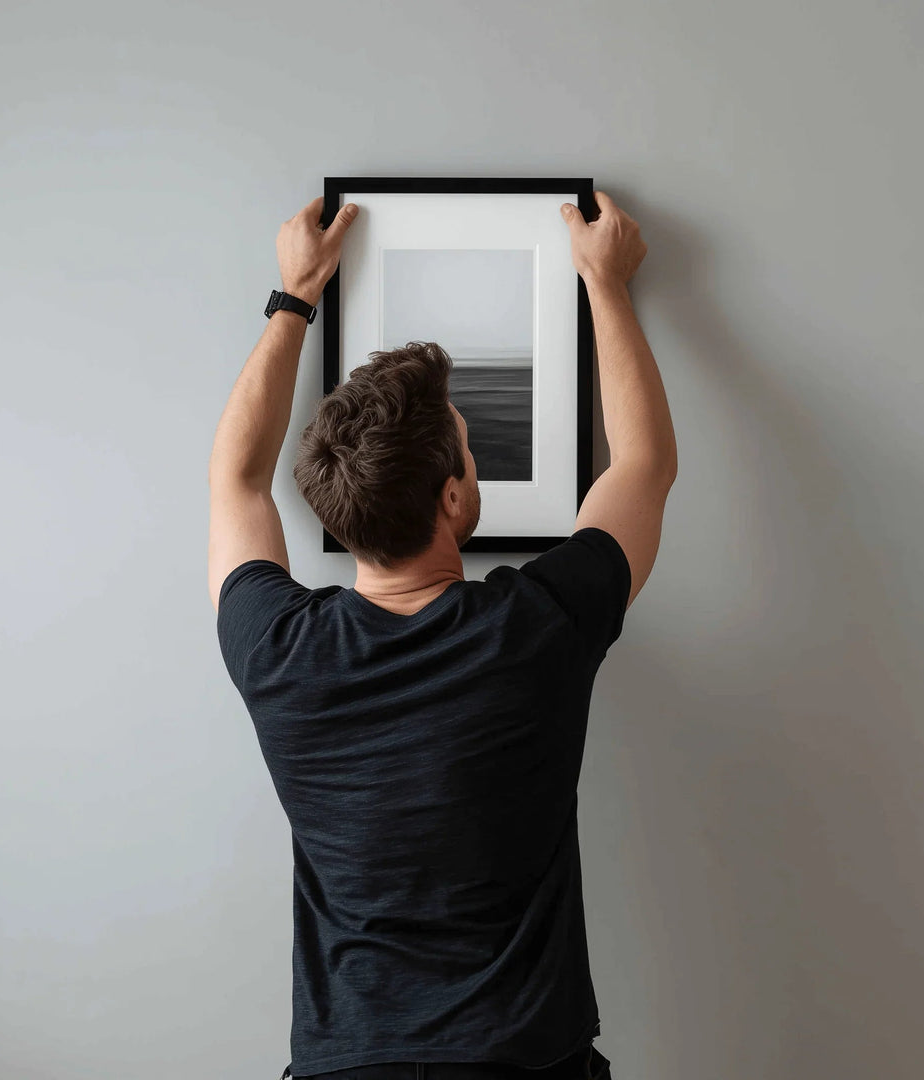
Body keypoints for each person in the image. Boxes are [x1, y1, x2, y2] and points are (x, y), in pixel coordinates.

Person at [208, 190, 677, 1080]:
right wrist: (605, 283)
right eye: (467, 444)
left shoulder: (277, 653)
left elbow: (236, 481)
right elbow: (645, 466)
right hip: (526, 1064)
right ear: (454, 498)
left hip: (346, 1064)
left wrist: (294, 296)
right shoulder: (537, 628)